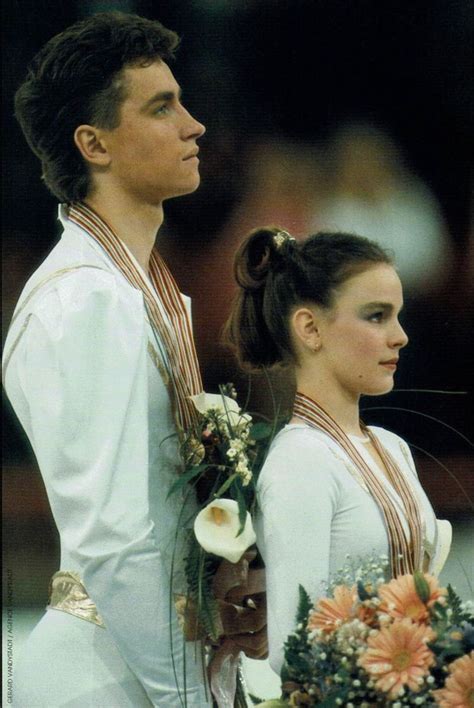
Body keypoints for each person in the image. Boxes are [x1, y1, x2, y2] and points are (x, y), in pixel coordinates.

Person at [3, 11, 265, 707]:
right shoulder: (88, 300)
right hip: (108, 674)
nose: (194, 125)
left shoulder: (139, 286)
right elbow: (116, 536)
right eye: (161, 107)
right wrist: (183, 697)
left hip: (143, 661)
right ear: (94, 144)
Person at [226, 227, 452, 674]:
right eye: (376, 316)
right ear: (310, 328)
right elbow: (296, 649)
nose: (400, 335)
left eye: (397, 316)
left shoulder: (392, 446)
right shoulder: (300, 461)